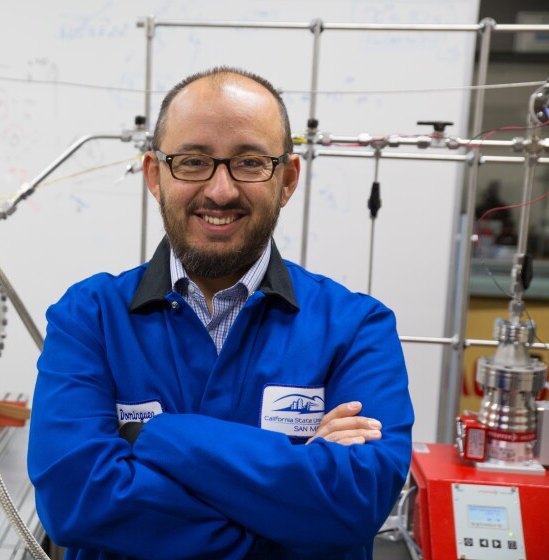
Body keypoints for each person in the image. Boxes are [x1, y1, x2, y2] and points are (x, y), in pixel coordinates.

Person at [28, 67, 414, 560]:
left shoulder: (357, 328)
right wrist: (292, 498)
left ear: (288, 178)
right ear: (154, 174)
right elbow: (75, 501)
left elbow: (356, 501)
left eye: (250, 163)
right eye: (193, 161)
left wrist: (149, 435)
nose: (221, 191)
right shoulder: (90, 318)